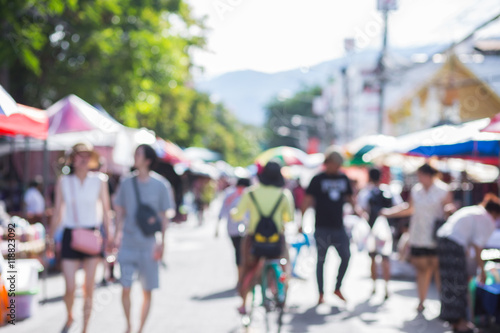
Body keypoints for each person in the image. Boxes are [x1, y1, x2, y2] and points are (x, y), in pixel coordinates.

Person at [48, 142, 112, 333]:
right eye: (79, 155)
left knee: (89, 288)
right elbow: (58, 212)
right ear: (73, 159)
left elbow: (106, 212)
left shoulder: (99, 180)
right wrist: (50, 237)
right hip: (70, 234)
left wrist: (110, 237)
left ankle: (85, 327)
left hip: (92, 234)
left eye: (86, 155)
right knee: (69, 287)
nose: (83, 159)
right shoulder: (64, 182)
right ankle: (70, 315)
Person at [114, 144, 175, 333]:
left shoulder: (160, 185)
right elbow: (120, 212)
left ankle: (140, 328)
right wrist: (116, 236)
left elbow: (165, 216)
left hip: (149, 244)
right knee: (125, 286)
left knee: (147, 290)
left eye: (138, 154)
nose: (135, 156)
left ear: (148, 160)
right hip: (128, 243)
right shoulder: (126, 182)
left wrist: (163, 243)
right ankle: (129, 325)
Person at [381, 163, 453, 313]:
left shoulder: (443, 190)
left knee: (437, 270)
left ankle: (443, 304)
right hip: (419, 235)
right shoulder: (416, 190)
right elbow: (409, 208)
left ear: (428, 175)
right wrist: (389, 212)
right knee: (421, 269)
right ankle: (421, 301)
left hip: (436, 236)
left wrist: (449, 210)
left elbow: (449, 209)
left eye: (421, 175)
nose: (419, 178)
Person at [231, 161, 295, 315]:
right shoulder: (284, 195)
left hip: (254, 240)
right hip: (276, 240)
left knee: (247, 269)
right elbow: (289, 218)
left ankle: (243, 303)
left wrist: (234, 213)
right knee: (284, 266)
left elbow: (237, 215)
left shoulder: (250, 193)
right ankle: (282, 295)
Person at [300, 147, 358, 304]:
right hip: (322, 227)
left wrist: (357, 211)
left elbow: (350, 197)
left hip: (339, 227)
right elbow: (307, 200)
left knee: (346, 256)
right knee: (321, 260)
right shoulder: (318, 179)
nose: (338, 167)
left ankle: (337, 287)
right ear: (328, 163)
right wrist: (301, 221)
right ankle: (320, 293)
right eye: (335, 164)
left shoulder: (343, 178)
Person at [436, 194, 500, 333]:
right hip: (453, 246)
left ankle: (456, 320)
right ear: (495, 213)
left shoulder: (473, 210)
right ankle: (459, 321)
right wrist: (482, 270)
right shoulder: (486, 218)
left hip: (443, 241)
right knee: (457, 284)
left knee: (451, 282)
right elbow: (478, 247)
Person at [358, 168, 402, 299]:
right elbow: (399, 206)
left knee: (372, 258)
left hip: (372, 230)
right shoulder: (389, 191)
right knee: (385, 258)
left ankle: (374, 286)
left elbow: (361, 209)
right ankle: (386, 288)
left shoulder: (366, 192)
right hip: (387, 230)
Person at [217, 177, 251, 288]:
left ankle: (241, 278)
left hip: (232, 229)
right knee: (244, 254)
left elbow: (222, 211)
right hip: (247, 229)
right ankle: (243, 279)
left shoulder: (229, 193)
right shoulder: (249, 193)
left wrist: (216, 228)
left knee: (238, 253)